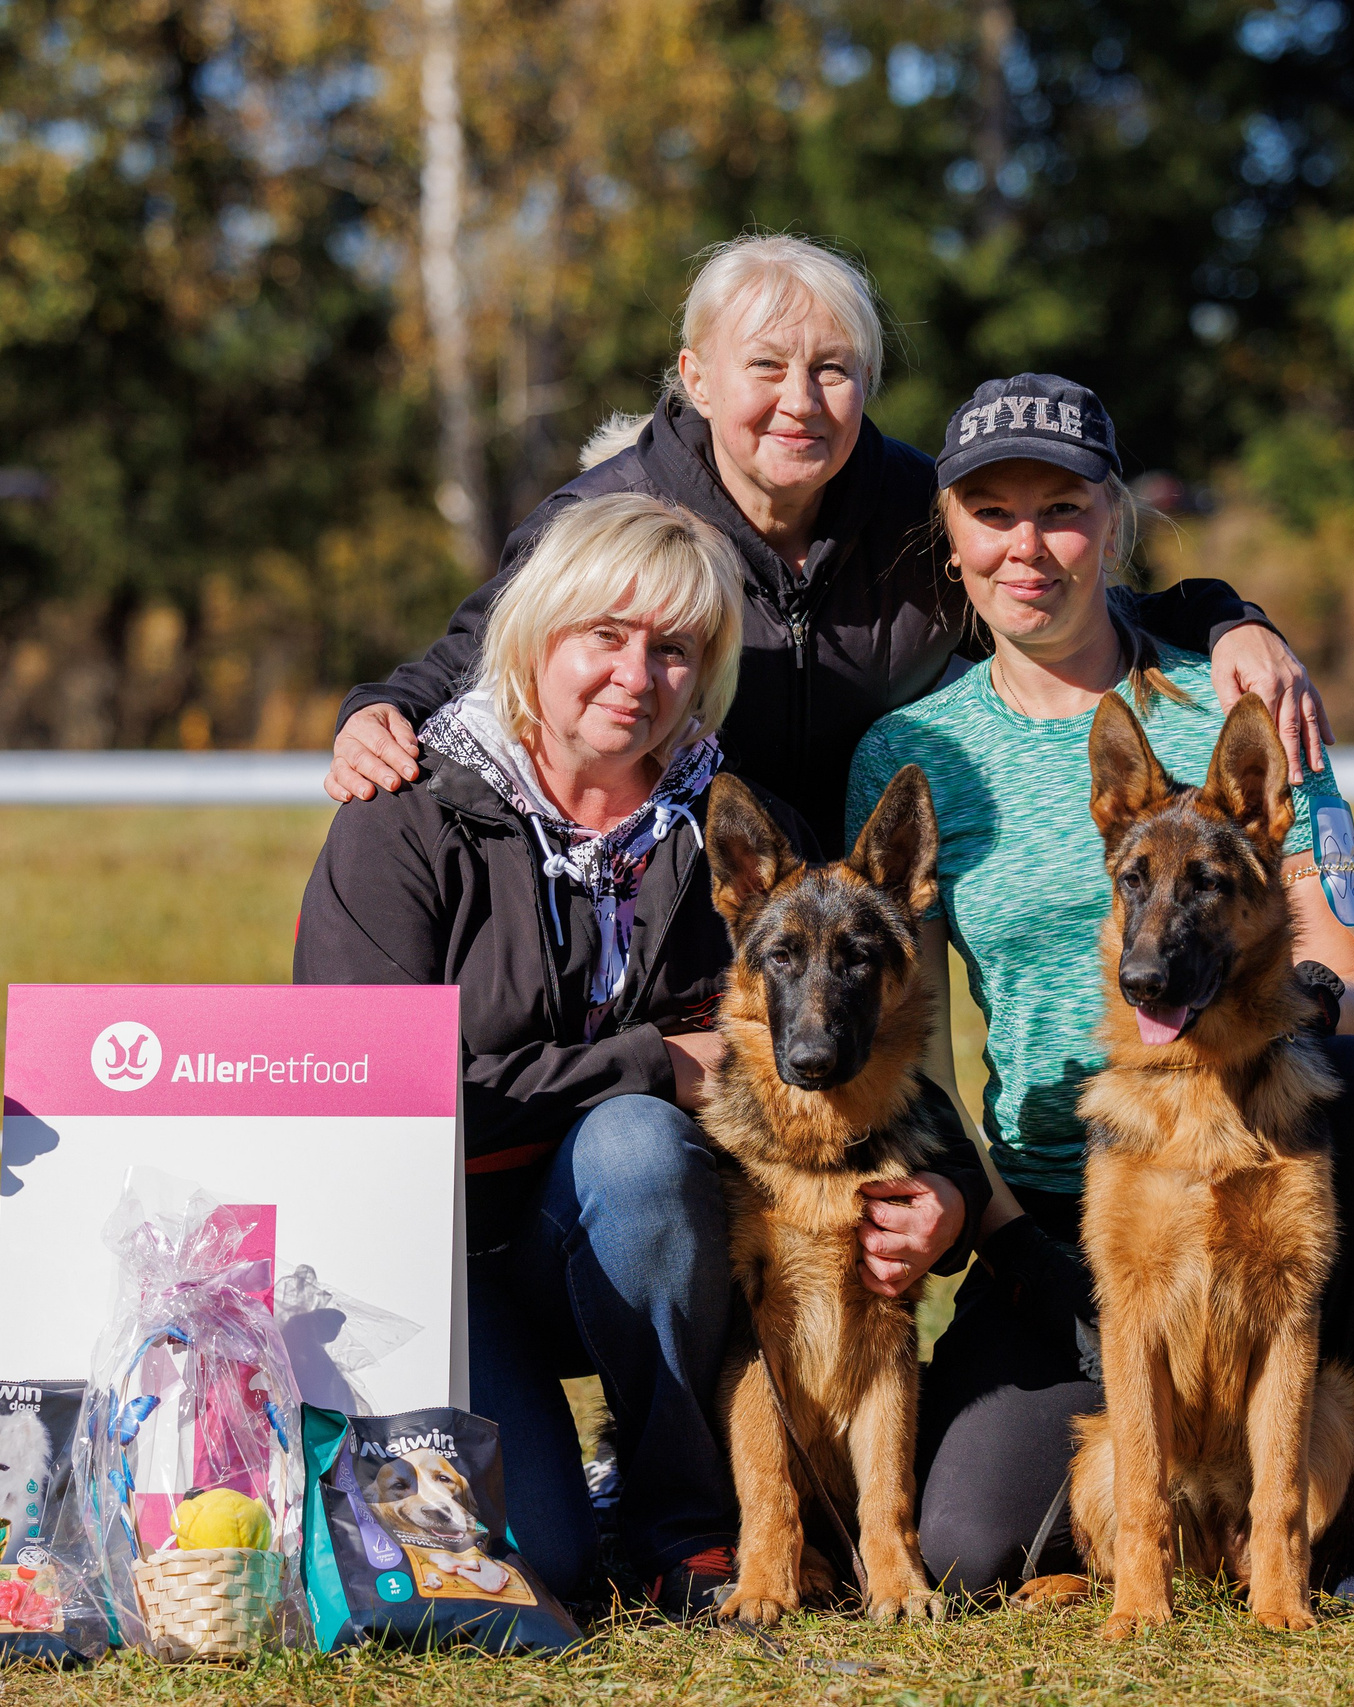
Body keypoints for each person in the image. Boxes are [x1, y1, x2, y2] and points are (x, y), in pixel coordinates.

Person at [291, 493, 992, 1617]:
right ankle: (593, 1497)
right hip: (436, 1263)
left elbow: (849, 1037)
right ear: (535, 637)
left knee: (635, 1161)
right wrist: (645, 1064)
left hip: (633, 1250)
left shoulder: (715, 829)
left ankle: (684, 1522)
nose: (636, 672)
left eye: (674, 648)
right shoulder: (404, 815)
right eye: (603, 636)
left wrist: (948, 1191)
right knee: (546, 1567)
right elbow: (361, 1099)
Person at [843, 374, 1354, 1606]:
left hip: (1257, 1138)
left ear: (1114, 519)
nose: (1027, 547)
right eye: (990, 513)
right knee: (964, 1547)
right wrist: (994, 1228)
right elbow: (919, 1048)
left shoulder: (1241, 697)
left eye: (1060, 509)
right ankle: (1142, 1510)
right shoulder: (909, 754)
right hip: (1058, 1216)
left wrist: (1289, 1017)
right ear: (947, 536)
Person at [328, 233, 1337, 858]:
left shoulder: (917, 505)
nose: (800, 403)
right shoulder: (609, 517)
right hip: (686, 900)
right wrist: (379, 712)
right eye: (765, 365)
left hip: (869, 904)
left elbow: (1060, 595)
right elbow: (473, 656)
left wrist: (1223, 620)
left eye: (835, 368)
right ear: (697, 378)